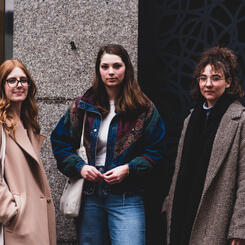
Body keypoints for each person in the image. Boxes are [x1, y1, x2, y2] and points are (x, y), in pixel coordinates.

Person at [51, 44, 166, 245]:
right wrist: (81, 167)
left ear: (126, 69)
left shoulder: (143, 108)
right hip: (89, 195)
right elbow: (59, 141)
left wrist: (129, 168)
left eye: (116, 66)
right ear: (98, 70)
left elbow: (157, 150)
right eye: (105, 66)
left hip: (126, 196)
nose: (111, 72)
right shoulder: (83, 106)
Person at [162, 46, 245, 245]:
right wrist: (169, 205)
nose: (208, 84)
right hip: (184, 210)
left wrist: (239, 228)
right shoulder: (191, 119)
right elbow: (178, 172)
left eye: (215, 78)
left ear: (228, 82)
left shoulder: (240, 120)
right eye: (203, 78)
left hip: (217, 217)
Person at [0, 60, 56, 245]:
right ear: (2, 86)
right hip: (18, 224)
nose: (19, 85)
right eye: (12, 80)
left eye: (23, 80)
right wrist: (9, 211)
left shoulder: (28, 124)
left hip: (34, 220)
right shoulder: (1, 125)